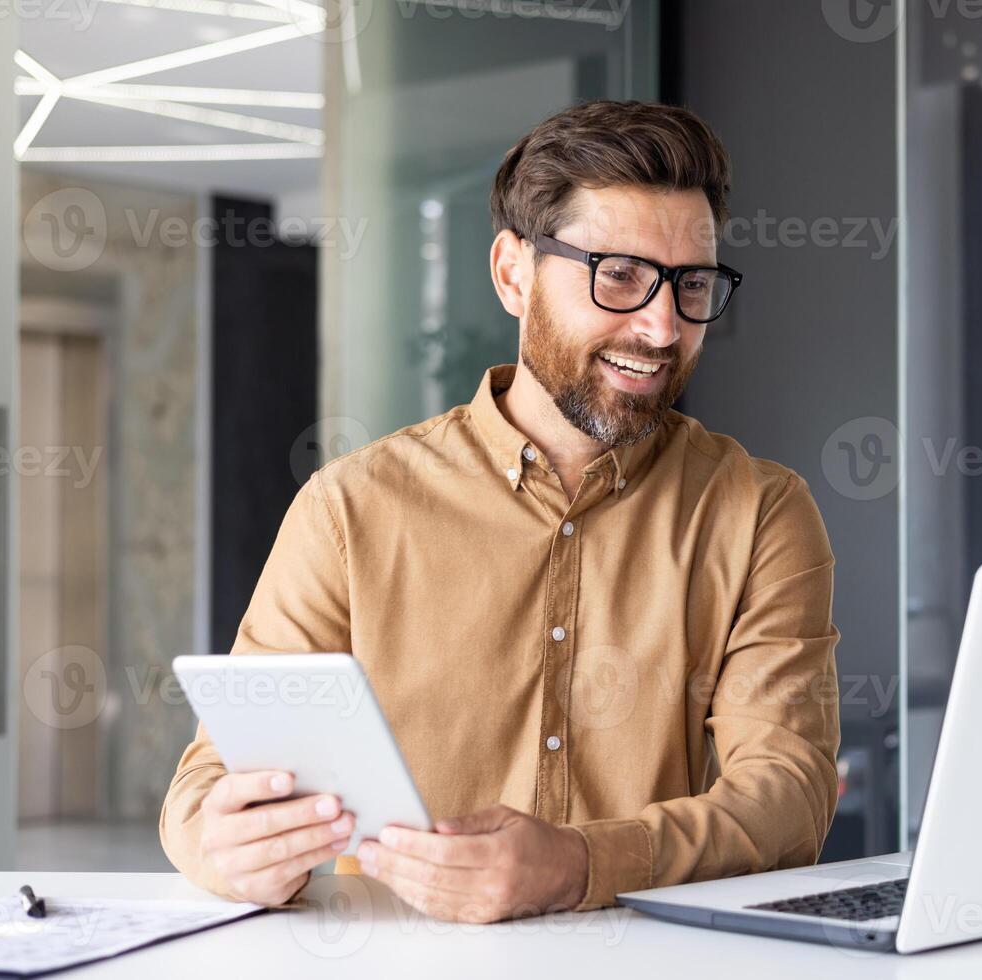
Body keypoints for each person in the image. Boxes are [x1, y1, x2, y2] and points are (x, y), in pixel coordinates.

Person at [160, 99, 841, 923]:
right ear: (512, 273)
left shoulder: (759, 512)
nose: (662, 326)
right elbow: (205, 788)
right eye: (619, 274)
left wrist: (582, 863)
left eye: (690, 284)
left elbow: (787, 797)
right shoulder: (350, 509)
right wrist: (227, 849)